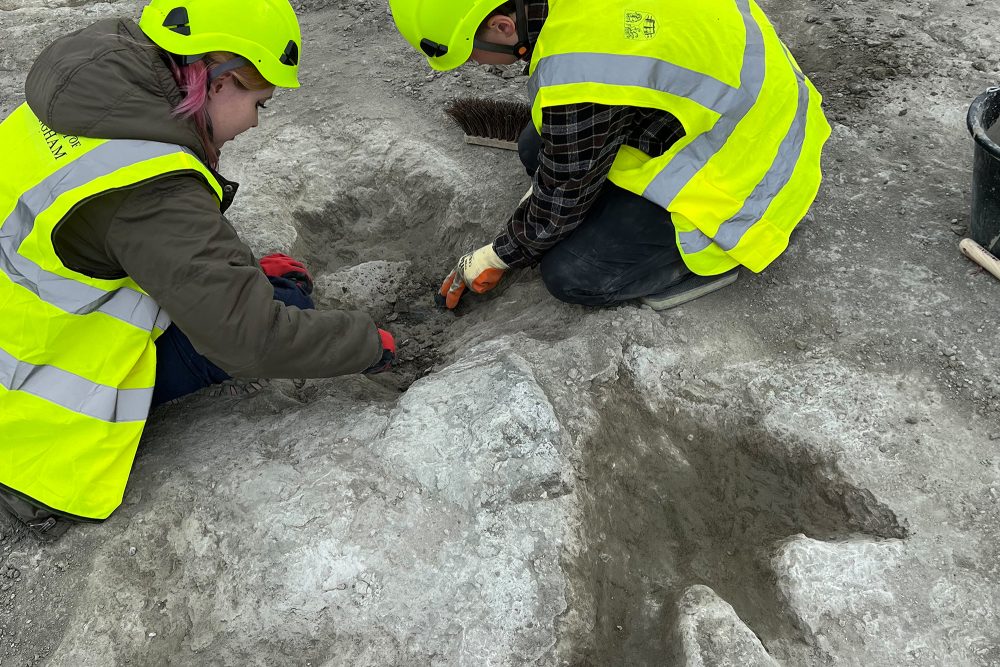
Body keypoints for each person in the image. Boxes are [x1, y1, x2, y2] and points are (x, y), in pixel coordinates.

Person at [0, 0, 396, 541]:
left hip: (26, 321)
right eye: (261, 102)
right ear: (221, 82)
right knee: (290, 309)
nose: (256, 121)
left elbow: (128, 238)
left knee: (266, 291)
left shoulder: (91, 89)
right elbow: (252, 340)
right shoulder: (151, 185)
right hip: (32, 407)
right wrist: (366, 342)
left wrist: (244, 272)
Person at [389, 0, 831, 311]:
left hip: (749, 168)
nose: (481, 66)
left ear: (503, 27)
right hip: (742, 103)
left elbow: (559, 202)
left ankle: (710, 264)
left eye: (473, 55)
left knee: (573, 275)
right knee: (535, 144)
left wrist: (498, 255)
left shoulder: (580, 68)